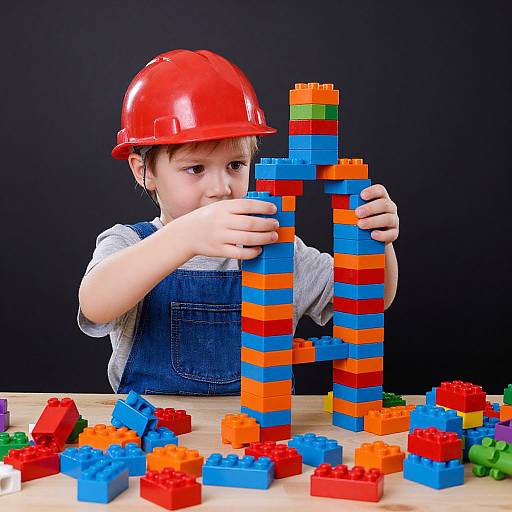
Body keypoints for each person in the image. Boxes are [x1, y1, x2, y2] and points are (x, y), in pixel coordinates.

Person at [77, 49, 399, 395]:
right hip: (156, 436)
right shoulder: (130, 244)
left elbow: (374, 297)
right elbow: (94, 305)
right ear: (144, 171)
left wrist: (376, 237)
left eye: (236, 165)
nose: (221, 188)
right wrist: (183, 238)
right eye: (195, 168)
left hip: (261, 438)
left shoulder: (277, 247)